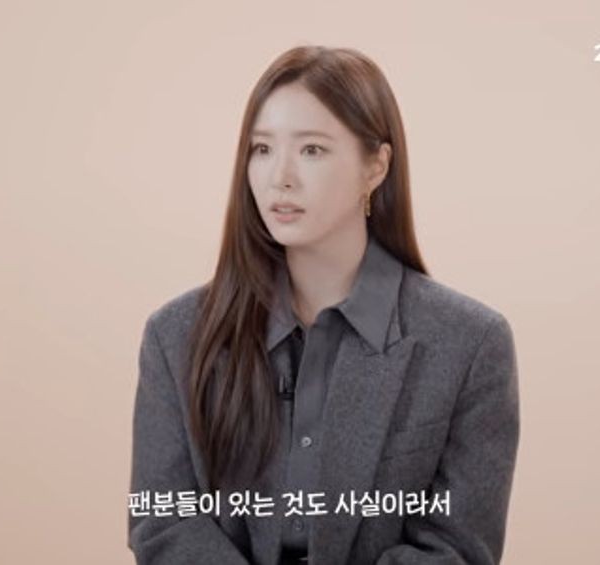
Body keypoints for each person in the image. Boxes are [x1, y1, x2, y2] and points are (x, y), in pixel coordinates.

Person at [129, 45, 520, 565]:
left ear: (376, 166)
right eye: (262, 149)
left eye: (312, 150)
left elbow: (457, 545)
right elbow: (162, 520)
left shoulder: (470, 343)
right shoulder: (175, 335)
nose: (280, 177)